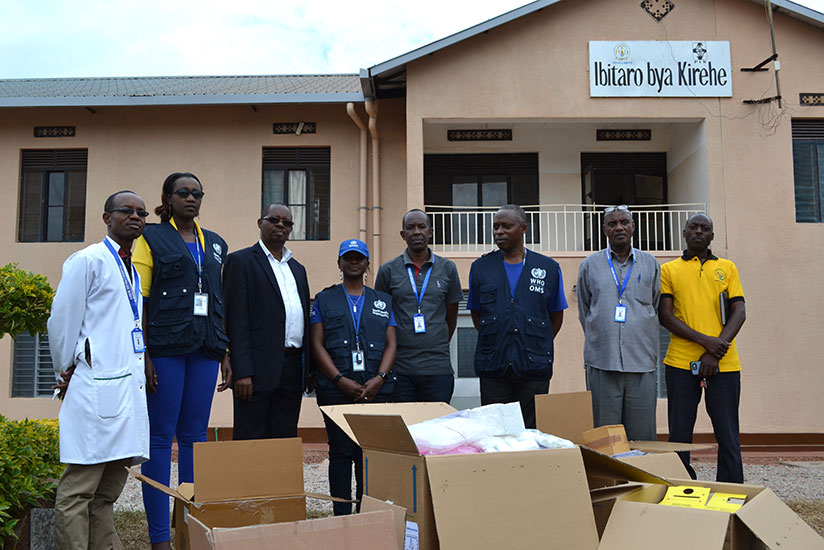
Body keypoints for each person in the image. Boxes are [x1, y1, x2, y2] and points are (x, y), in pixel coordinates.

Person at [133, 172, 232, 549]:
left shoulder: (217, 244)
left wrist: (225, 350)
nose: (190, 199)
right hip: (165, 349)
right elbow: (141, 299)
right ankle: (160, 537)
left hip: (206, 348)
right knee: (160, 438)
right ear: (168, 198)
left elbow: (219, 300)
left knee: (194, 437)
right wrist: (145, 354)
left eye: (196, 193)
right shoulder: (150, 237)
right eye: (183, 193)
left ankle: (190, 531)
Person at [48, 191, 150, 550]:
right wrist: (65, 366)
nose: (135, 217)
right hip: (94, 388)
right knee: (78, 491)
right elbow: (62, 319)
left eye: (141, 212)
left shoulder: (131, 269)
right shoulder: (88, 260)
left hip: (123, 391)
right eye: (127, 211)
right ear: (107, 218)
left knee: (106, 494)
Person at [310, 239, 397, 515]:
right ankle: (342, 515)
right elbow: (316, 344)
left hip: (374, 388)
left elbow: (392, 342)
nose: (353, 262)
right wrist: (339, 380)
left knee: (366, 453)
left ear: (367, 263)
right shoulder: (325, 299)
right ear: (339, 263)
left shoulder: (383, 300)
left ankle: (366, 514)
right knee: (340, 452)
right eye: (348, 258)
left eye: (359, 257)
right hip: (336, 389)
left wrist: (380, 377)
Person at [659, 213, 746, 483]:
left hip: (724, 363)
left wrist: (714, 351)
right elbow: (666, 316)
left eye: (705, 228)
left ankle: (731, 489)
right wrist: (706, 342)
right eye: (693, 227)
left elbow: (740, 312)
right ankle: (681, 486)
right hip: (680, 363)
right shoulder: (669, 270)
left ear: (712, 236)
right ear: (684, 233)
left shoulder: (728, 268)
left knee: (728, 432)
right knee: (680, 433)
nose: (699, 231)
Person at [466, 204, 567, 429]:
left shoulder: (548, 267)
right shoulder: (481, 267)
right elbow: (477, 314)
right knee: (495, 431)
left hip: (534, 366)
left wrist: (535, 342)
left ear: (523, 229)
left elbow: (556, 317)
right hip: (494, 366)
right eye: (495, 227)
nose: (498, 231)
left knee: (529, 430)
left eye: (506, 226)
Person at [223, 204, 310, 440]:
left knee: (284, 438)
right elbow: (235, 319)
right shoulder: (240, 262)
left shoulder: (298, 269)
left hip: (292, 367)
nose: (280, 225)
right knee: (251, 439)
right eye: (274, 219)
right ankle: (248, 480)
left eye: (287, 222)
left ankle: (279, 480)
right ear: (260, 223)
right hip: (255, 369)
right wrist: (242, 370)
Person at [576, 205, 660, 441]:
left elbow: (654, 304)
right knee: (605, 437)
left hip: (641, 362)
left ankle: (641, 479)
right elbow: (585, 310)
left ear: (633, 226)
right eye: (612, 223)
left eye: (624, 222)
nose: (619, 227)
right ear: (604, 229)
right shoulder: (589, 265)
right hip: (603, 361)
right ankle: (607, 480)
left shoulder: (649, 263)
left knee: (642, 437)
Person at [375, 209, 463, 403]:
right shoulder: (388, 270)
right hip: (400, 368)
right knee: (404, 429)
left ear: (430, 232)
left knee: (435, 428)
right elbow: (381, 318)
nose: (416, 232)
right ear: (403, 234)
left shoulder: (447, 268)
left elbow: (451, 316)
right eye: (410, 228)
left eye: (421, 227)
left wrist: (434, 341)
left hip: (437, 368)